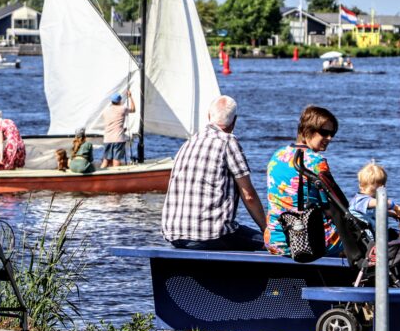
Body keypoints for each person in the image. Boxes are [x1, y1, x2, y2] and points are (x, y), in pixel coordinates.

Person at [161, 95, 267, 251]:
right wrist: (266, 229)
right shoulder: (227, 142)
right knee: (273, 244)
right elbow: (249, 195)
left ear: (209, 116)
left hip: (175, 234)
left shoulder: (190, 142)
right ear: (234, 121)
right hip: (211, 234)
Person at [264, 105, 343, 256]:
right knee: (363, 230)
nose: (329, 138)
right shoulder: (316, 161)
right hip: (304, 242)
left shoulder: (277, 155)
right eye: (324, 133)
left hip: (274, 239)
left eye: (332, 133)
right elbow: (333, 205)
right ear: (308, 130)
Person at [349, 161, 400, 234]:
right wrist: (396, 207)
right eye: (376, 189)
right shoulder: (360, 200)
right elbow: (382, 202)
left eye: (382, 187)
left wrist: (393, 214)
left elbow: (374, 212)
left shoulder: (368, 202)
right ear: (362, 186)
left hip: (375, 236)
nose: (380, 192)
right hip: (368, 239)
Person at [100, 90, 135, 168]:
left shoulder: (105, 111)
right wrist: (130, 96)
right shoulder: (123, 108)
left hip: (107, 139)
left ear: (111, 101)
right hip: (118, 138)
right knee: (116, 161)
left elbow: (112, 123)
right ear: (120, 101)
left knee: (105, 161)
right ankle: (114, 178)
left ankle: (101, 174)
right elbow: (133, 109)